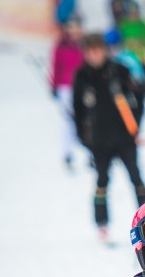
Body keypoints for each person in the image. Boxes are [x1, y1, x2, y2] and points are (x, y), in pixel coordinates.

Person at [73, 33, 145, 244]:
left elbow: (141, 95)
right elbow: (78, 111)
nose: (95, 55)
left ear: (105, 50)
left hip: (125, 137)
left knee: (137, 179)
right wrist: (84, 138)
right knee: (101, 182)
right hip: (99, 142)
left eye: (98, 50)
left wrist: (135, 126)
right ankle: (102, 224)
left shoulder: (119, 70)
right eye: (90, 51)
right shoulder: (82, 76)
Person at [51, 17, 85, 169]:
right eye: (71, 27)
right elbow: (56, 66)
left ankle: (90, 154)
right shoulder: (61, 46)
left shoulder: (85, 45)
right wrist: (54, 85)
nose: (74, 31)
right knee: (68, 120)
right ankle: (67, 153)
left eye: (77, 27)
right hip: (66, 86)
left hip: (83, 86)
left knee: (86, 119)